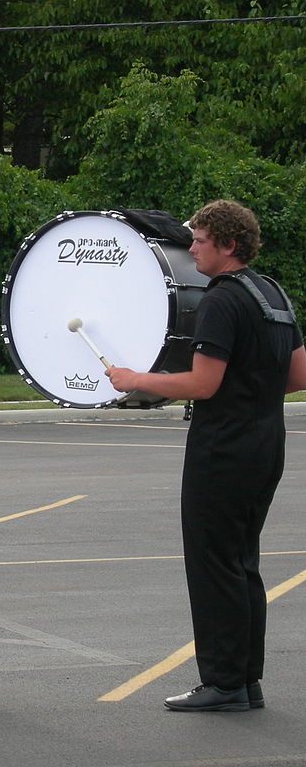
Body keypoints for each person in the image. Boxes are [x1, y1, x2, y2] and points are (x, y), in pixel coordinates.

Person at [107, 200, 306, 712]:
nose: (191, 246)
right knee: (243, 564)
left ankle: (222, 683)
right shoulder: (273, 293)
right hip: (266, 443)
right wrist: (252, 389)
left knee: (214, 564)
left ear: (228, 244)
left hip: (222, 450)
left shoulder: (221, 300)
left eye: (199, 239)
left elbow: (202, 382)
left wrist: (136, 380)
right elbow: (298, 375)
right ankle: (245, 680)